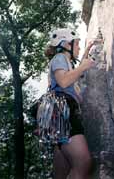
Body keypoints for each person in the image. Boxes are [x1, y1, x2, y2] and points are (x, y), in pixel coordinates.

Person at [45, 28, 95, 179]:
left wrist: (86, 51)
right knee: (84, 163)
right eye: (77, 44)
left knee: (62, 173)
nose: (79, 48)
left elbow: (73, 76)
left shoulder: (65, 61)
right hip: (63, 110)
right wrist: (83, 66)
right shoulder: (60, 57)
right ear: (67, 44)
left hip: (57, 114)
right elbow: (64, 81)